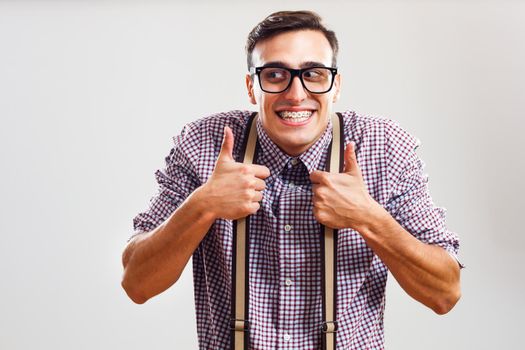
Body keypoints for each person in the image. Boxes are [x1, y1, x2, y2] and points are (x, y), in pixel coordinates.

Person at [121, 10, 462, 349]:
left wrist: (368, 217)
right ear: (251, 88)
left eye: (313, 74)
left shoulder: (384, 147)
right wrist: (203, 205)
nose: (296, 94)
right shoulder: (203, 143)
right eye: (275, 74)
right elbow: (137, 283)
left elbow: (444, 293)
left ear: (336, 86)